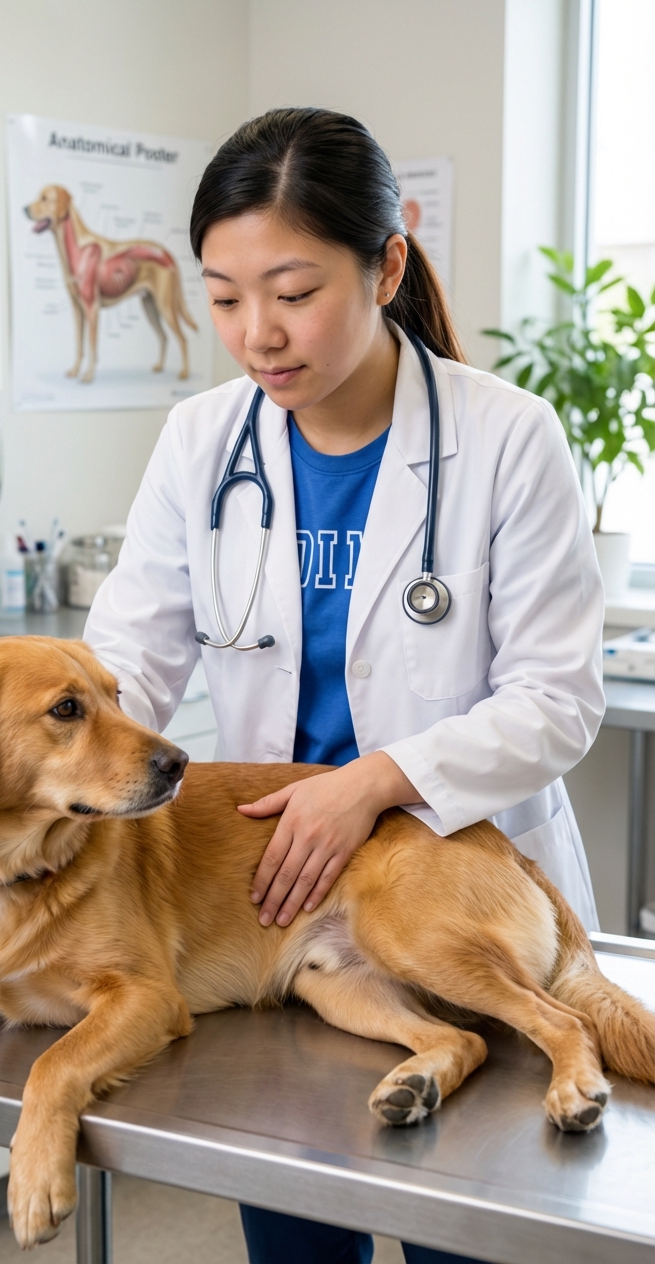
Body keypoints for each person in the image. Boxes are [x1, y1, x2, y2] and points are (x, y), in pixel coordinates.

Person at [85, 107, 604, 1264]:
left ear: (386, 263)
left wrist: (374, 782)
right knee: (296, 1242)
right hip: (277, 912)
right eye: (222, 297)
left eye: (291, 289)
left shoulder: (507, 439)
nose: (256, 333)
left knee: (459, 1240)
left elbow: (558, 699)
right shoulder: (197, 444)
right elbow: (127, 668)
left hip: (449, 883)